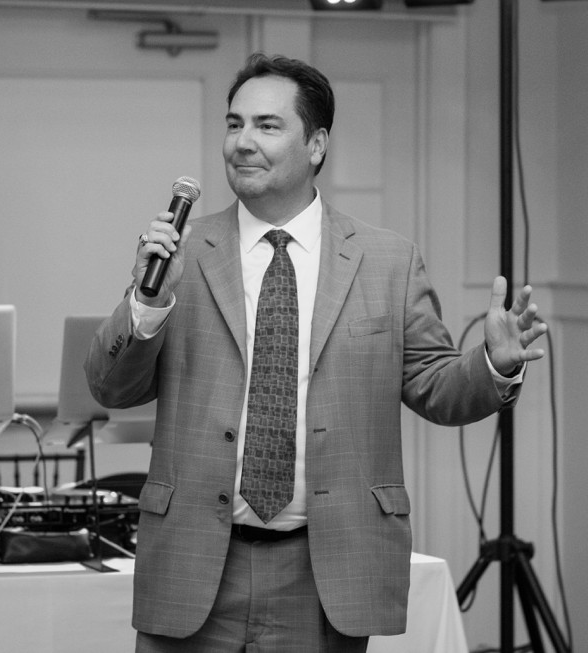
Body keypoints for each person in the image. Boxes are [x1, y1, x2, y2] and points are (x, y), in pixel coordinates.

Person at [86, 52, 547, 652]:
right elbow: (109, 387)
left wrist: (493, 363)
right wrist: (147, 305)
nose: (242, 142)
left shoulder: (387, 262)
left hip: (325, 573)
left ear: (317, 144)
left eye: (267, 126)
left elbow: (435, 387)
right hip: (195, 563)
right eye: (234, 124)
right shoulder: (184, 253)